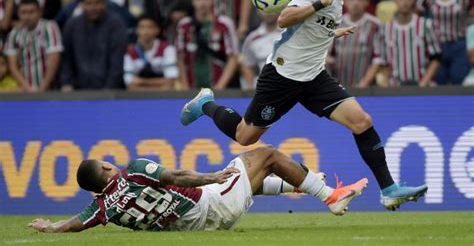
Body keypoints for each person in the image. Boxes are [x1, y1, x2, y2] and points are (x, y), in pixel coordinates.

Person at [179, 0, 428, 211]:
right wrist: (320, 4)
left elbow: (309, 27)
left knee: (361, 121)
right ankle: (206, 104)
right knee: (245, 137)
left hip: (313, 77)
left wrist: (333, 31)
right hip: (283, 75)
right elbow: (284, 18)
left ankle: (389, 190)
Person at [28, 146, 368, 233]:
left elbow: (74, 223)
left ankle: (307, 185)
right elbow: (175, 176)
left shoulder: (102, 208)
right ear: (104, 168)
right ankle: (329, 196)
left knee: (251, 178)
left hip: (200, 223)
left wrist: (51, 227)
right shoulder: (132, 170)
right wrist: (211, 177)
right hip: (211, 204)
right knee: (265, 154)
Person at [367, 0, 442, 87]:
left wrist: (423, 83)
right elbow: (383, 62)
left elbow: (436, 58)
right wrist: (386, 82)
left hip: (423, 87)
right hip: (395, 88)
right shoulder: (386, 29)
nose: (404, 2)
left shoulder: (426, 25)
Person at [417, 0, 473, 85]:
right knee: (438, 83)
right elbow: (416, 17)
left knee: (458, 82)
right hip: (435, 48)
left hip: (459, 46)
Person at [61, 0, 128, 90]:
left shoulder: (116, 24)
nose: (93, 7)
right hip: (77, 90)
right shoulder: (72, 24)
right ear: (82, 4)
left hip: (110, 90)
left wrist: (109, 89)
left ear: (104, 3)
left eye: (97, 3)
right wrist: (67, 83)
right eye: (89, 3)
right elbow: (66, 58)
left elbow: (117, 60)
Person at [176, 0, 239, 90]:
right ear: (192, 1)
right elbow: (180, 59)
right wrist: (185, 87)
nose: (202, 2)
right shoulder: (184, 25)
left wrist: (220, 87)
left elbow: (233, 58)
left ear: (212, 0)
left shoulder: (225, 24)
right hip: (192, 90)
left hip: (219, 89)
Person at [327, 0, 382, 87]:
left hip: (366, 87)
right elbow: (329, 55)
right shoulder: (336, 23)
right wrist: (329, 60)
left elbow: (378, 59)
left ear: (367, 2)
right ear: (345, 1)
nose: (355, 3)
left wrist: (364, 83)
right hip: (339, 86)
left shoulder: (374, 25)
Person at [3, 0, 62, 92]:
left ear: (40, 12)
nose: (27, 16)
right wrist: (27, 88)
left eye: (31, 12)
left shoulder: (50, 28)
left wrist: (42, 87)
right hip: (25, 89)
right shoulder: (14, 34)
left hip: (51, 89)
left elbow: (54, 59)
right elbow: (12, 65)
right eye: (23, 13)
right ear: (18, 14)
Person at [124, 15, 178, 91]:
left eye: (150, 27)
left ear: (157, 30)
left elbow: (171, 82)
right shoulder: (129, 52)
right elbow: (130, 85)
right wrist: (161, 85)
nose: (146, 32)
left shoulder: (167, 49)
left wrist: (142, 81)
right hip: (138, 99)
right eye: (142, 27)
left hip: (165, 98)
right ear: (136, 30)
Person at [241, 12, 281, 89]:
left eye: (272, 7)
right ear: (258, 10)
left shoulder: (290, 33)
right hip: (265, 89)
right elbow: (247, 65)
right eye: (264, 8)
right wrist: (250, 87)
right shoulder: (252, 38)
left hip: (290, 88)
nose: (269, 12)